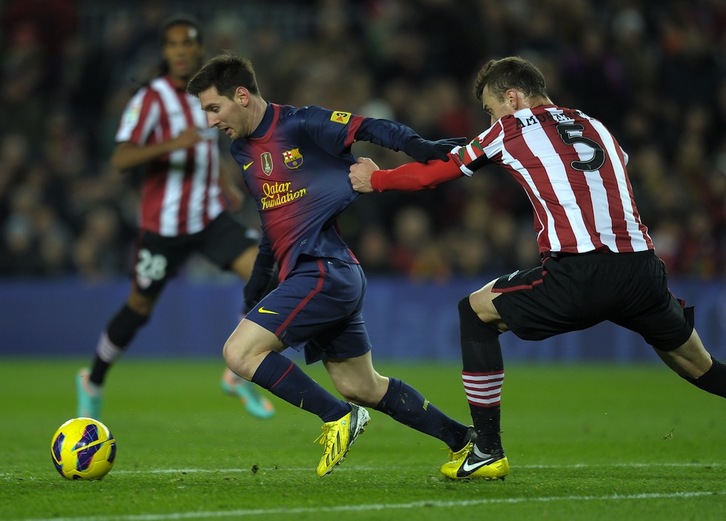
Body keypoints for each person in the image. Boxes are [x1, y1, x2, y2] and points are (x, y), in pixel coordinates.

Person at [349, 56, 726, 480]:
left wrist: (376, 180)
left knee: (475, 312)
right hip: (643, 270)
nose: (490, 119)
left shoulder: (511, 129)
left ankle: (487, 450)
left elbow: (437, 173)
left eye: (491, 109)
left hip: (579, 273)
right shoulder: (596, 125)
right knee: (700, 365)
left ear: (512, 97)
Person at [186, 53, 474, 477]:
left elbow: (373, 127)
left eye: (214, 108)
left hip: (322, 270)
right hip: (328, 273)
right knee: (362, 385)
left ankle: (339, 416)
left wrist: (425, 149)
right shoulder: (242, 151)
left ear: (242, 96)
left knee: (239, 352)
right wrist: (255, 289)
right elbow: (272, 225)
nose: (211, 121)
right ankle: (464, 441)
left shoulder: (301, 124)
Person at [76, 14, 275, 421]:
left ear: (199, 49)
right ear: (164, 52)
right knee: (139, 308)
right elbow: (122, 157)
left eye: (188, 44)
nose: (181, 51)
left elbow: (209, 144)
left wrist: (224, 182)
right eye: (173, 45)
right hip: (163, 228)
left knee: (266, 277)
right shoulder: (150, 99)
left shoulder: (206, 93)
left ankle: (237, 374)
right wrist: (171, 144)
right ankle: (92, 380)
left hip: (209, 216)